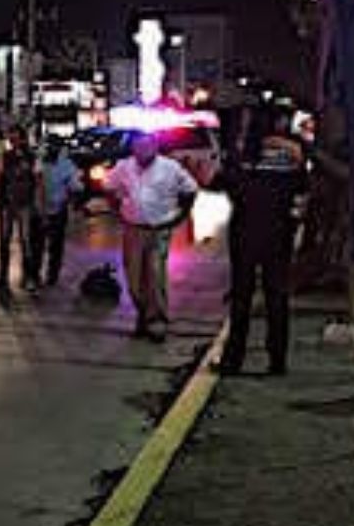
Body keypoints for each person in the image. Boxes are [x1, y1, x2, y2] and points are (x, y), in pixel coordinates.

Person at [215, 107, 306, 375]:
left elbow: (228, 184)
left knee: (241, 298)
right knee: (277, 297)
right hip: (279, 232)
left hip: (245, 232)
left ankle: (234, 359)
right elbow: (302, 188)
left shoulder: (245, 154)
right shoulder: (292, 154)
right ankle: (277, 359)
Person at [103, 133, 198, 340]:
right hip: (133, 229)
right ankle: (143, 316)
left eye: (146, 147)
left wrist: (180, 216)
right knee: (134, 277)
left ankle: (157, 321)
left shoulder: (170, 167)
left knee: (155, 275)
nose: (142, 151)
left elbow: (190, 189)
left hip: (159, 228)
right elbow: (109, 187)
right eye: (138, 147)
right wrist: (118, 210)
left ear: (155, 147)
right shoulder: (124, 167)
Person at [0, 126, 40, 294]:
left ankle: (28, 277)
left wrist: (36, 204)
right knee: (5, 242)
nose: (13, 141)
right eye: (11, 138)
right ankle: (3, 278)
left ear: (22, 138)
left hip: (24, 204)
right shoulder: (6, 156)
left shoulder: (30, 156)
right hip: (7, 204)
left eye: (16, 138)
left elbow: (36, 180)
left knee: (26, 242)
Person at [32, 136, 79, 286]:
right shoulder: (38, 162)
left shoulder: (67, 164)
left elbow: (75, 186)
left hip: (58, 209)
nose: (51, 150)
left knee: (55, 245)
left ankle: (51, 276)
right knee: (37, 245)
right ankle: (35, 275)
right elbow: (36, 184)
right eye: (48, 146)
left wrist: (73, 188)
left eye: (54, 147)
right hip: (40, 209)